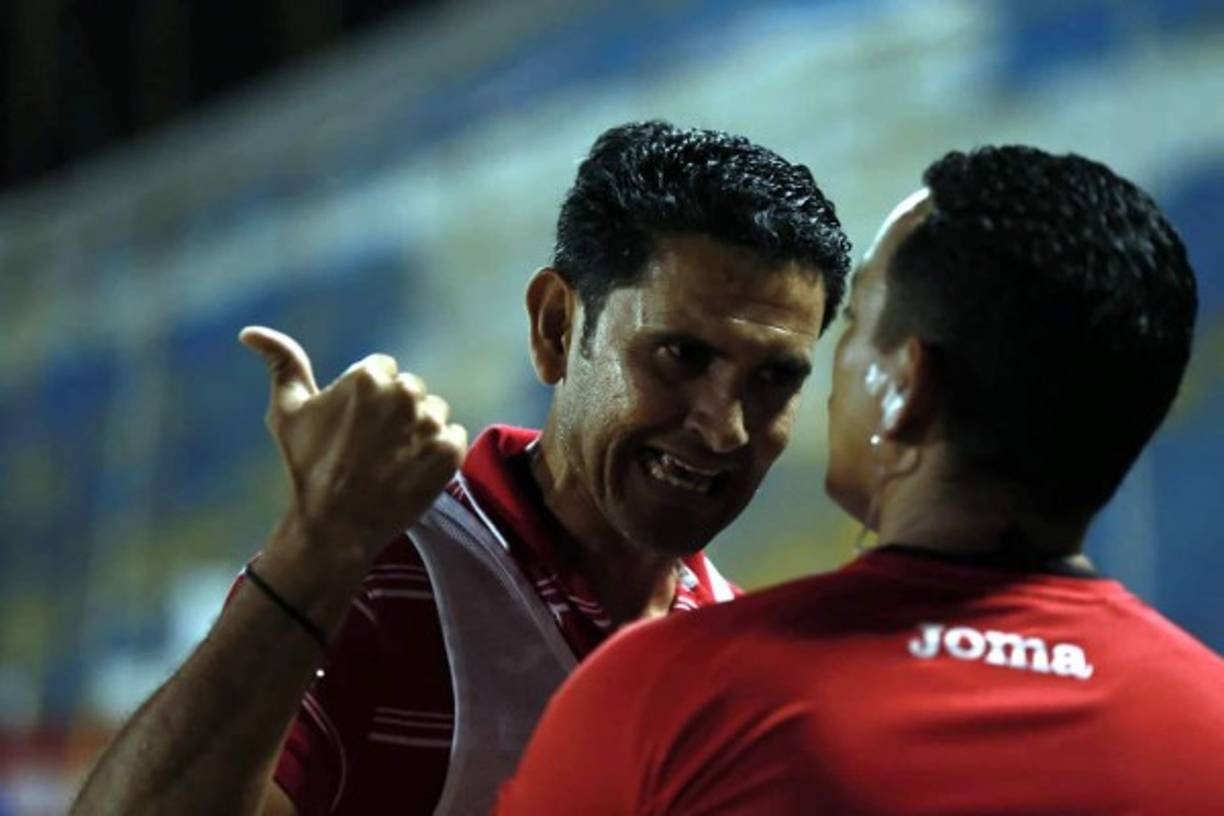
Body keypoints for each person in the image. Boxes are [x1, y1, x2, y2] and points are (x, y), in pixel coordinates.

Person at [69, 120, 853, 815]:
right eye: (681, 355)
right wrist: (316, 551)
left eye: (773, 379)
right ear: (555, 326)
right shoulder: (377, 574)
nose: (723, 426)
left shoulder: (738, 657)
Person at [497, 145, 1224, 814]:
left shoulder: (672, 696)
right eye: (682, 356)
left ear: (905, 383)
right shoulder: (1209, 722)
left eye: (856, 322)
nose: (727, 426)